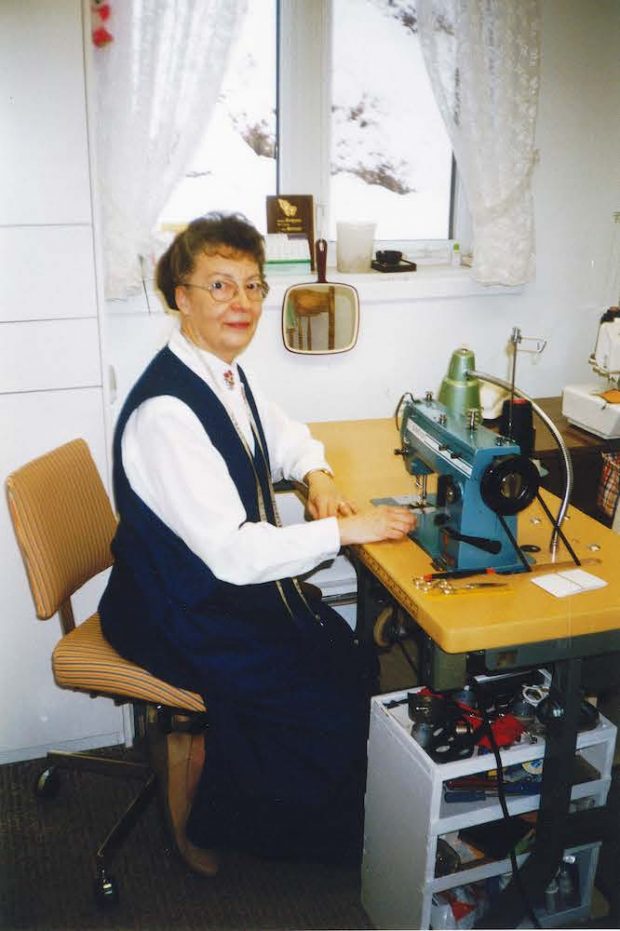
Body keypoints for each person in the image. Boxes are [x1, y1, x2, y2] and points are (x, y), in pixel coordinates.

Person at [99, 212, 416, 876]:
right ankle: (240, 827)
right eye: (219, 285)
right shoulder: (168, 412)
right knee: (320, 685)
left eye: (252, 285)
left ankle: (283, 795)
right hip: (170, 609)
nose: (241, 303)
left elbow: (283, 433)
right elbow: (234, 552)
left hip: (202, 589)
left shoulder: (222, 371)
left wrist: (317, 474)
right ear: (180, 296)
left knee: (341, 650)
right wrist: (343, 530)